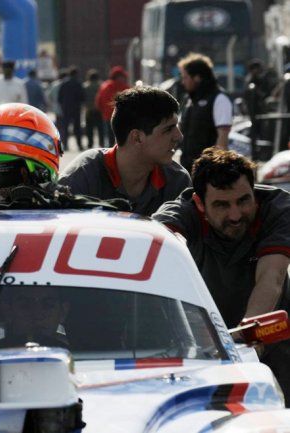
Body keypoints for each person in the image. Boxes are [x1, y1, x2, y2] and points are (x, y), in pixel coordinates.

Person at [152, 148, 290, 401]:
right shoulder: (178, 213)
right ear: (199, 204)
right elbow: (159, 247)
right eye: (222, 205)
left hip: (267, 342)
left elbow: (272, 278)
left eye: (244, 200)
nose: (236, 215)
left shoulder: (278, 209)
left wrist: (247, 337)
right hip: (200, 347)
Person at [58, 87, 190, 216]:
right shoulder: (82, 177)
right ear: (137, 137)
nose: (179, 136)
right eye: (168, 129)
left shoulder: (177, 181)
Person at [178, 53, 233, 173]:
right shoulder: (189, 100)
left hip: (207, 172)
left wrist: (217, 171)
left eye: (185, 77)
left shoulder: (219, 99)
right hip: (187, 168)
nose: (183, 82)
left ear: (197, 77)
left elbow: (222, 140)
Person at [0, 286, 70, 351]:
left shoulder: (79, 363)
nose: (37, 315)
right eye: (25, 306)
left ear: (63, 312)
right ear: (8, 310)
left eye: (48, 305)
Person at [95, 66, 130, 146]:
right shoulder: (125, 87)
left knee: (110, 136)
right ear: (118, 77)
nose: (124, 78)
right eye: (123, 77)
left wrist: (102, 111)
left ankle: (110, 153)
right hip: (122, 116)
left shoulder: (105, 86)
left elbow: (98, 101)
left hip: (108, 116)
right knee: (121, 137)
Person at [58, 66, 85, 151]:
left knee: (65, 127)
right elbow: (82, 97)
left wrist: (63, 105)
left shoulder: (64, 83)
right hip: (76, 108)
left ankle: (65, 145)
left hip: (66, 108)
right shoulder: (78, 83)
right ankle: (79, 145)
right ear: (76, 74)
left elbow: (59, 97)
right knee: (77, 127)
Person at [83, 69, 104, 148]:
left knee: (89, 128)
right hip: (99, 110)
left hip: (89, 110)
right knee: (100, 128)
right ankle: (101, 143)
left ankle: (90, 144)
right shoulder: (101, 86)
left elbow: (83, 98)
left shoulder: (85, 86)